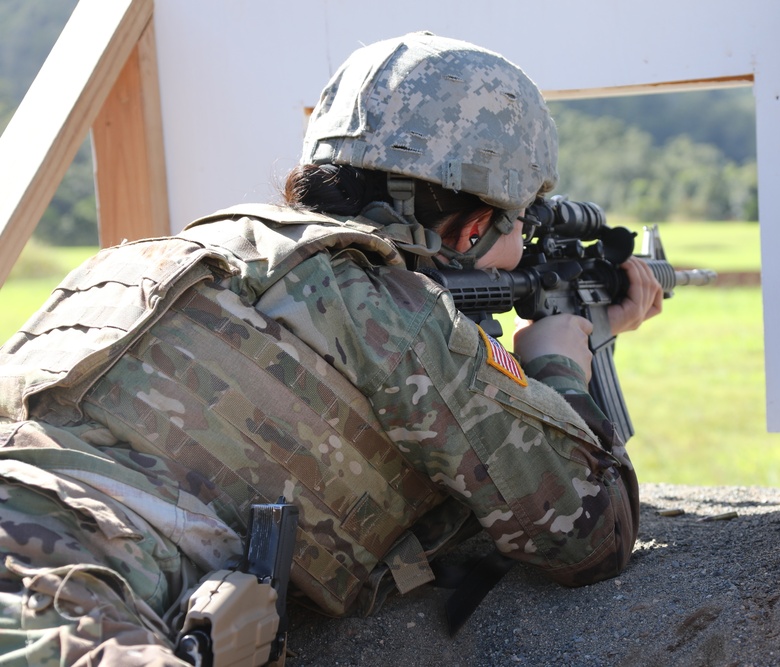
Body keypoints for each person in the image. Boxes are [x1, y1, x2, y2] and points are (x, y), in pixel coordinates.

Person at [0, 31, 663, 665]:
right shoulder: (393, 314)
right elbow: (588, 534)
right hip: (62, 577)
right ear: (472, 229)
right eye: (523, 223)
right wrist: (556, 362)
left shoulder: (168, 254)